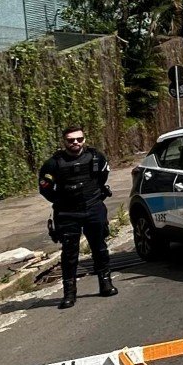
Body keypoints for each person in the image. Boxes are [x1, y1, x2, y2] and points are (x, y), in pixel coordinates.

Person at [38, 125, 117, 309]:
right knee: (69, 253)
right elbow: (45, 188)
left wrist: (94, 195)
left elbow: (103, 177)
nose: (75, 143)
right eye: (71, 140)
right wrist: (61, 201)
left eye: (79, 139)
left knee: (100, 248)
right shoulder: (53, 163)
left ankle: (106, 283)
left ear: (84, 139)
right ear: (64, 142)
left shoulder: (96, 157)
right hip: (67, 213)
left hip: (93, 208)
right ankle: (69, 294)